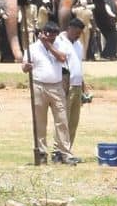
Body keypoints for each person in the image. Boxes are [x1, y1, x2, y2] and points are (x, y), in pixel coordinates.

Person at [21, 21, 80, 165]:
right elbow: (24, 66)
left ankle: (65, 153)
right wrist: (26, 67)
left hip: (56, 87)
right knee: (40, 121)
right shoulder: (33, 48)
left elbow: (62, 58)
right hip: (39, 86)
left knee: (62, 121)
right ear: (43, 33)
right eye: (49, 36)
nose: (52, 38)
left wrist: (48, 45)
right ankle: (41, 153)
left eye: (54, 36)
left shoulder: (60, 45)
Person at [56, 18, 87, 147]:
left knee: (74, 121)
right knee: (63, 120)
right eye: (76, 32)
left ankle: (68, 149)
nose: (78, 35)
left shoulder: (78, 45)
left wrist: (84, 86)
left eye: (80, 33)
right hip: (66, 85)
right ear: (70, 28)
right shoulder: (59, 42)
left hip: (77, 85)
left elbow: (78, 65)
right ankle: (58, 150)